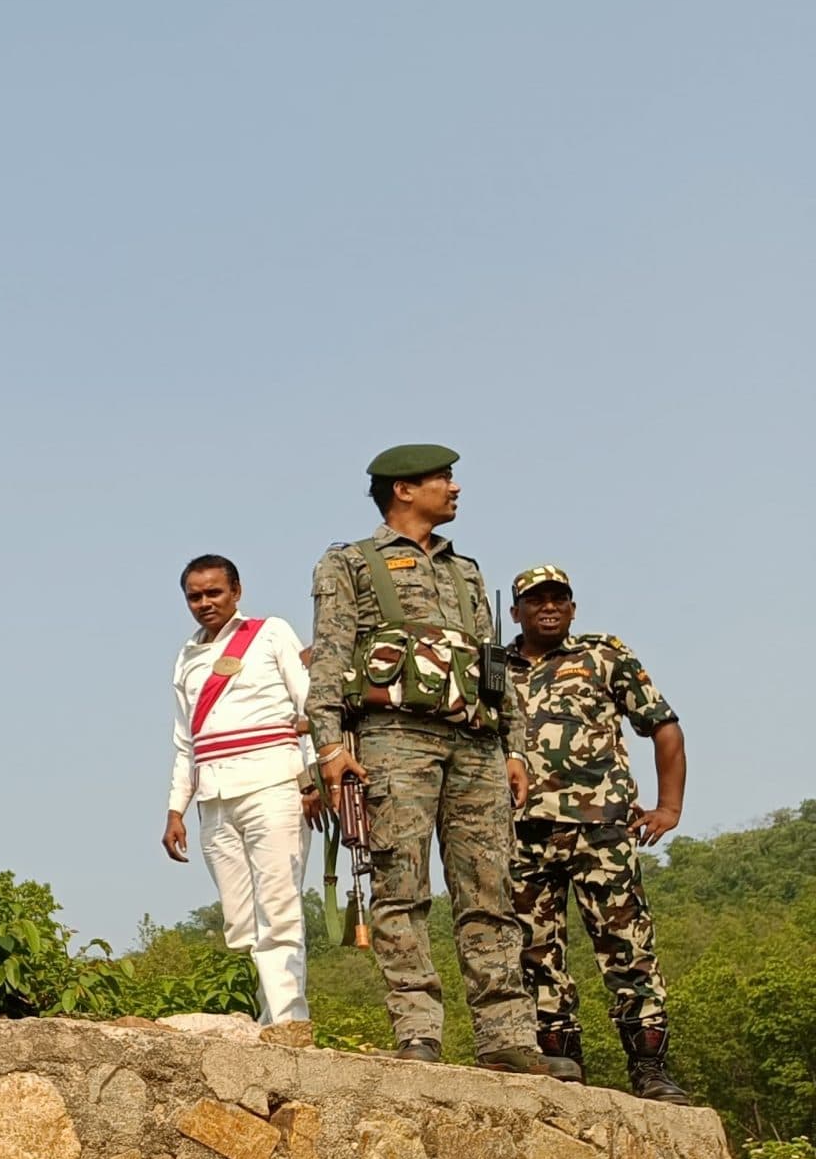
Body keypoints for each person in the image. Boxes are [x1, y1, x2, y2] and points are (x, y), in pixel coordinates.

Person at [309, 446, 545, 1072]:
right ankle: (418, 1031)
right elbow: (330, 657)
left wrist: (514, 747)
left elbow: (495, 666)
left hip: (476, 745)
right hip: (394, 740)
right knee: (401, 888)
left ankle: (506, 1039)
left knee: (490, 890)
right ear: (404, 490)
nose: (455, 487)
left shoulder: (466, 572)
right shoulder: (350, 563)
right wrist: (330, 748)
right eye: (443, 478)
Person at [504, 566, 690, 1101]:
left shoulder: (602, 656)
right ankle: (563, 1069)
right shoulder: (494, 667)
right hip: (522, 833)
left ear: (573, 607)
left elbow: (662, 724)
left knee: (628, 951)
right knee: (535, 956)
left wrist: (669, 806)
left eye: (559, 598)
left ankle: (650, 1070)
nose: (548, 607)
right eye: (535, 600)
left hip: (600, 832)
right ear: (515, 611)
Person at [159, 556, 320, 1030]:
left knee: (279, 907)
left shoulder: (269, 633)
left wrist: (312, 777)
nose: (205, 603)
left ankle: (289, 1021)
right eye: (195, 596)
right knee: (241, 919)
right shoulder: (186, 657)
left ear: (236, 591)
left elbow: (309, 706)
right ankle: (269, 1009)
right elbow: (185, 742)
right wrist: (175, 809)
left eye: (214, 593)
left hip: (273, 784)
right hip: (213, 797)